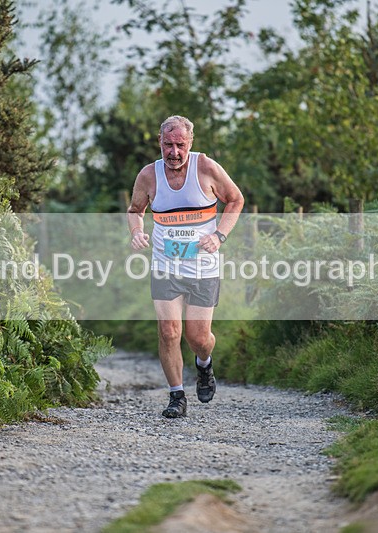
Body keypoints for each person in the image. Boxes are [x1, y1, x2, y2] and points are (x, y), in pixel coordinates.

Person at [126, 115, 244, 418]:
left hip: (203, 266)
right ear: (159, 142)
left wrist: (220, 235)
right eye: (168, 144)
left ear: (189, 143)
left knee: (198, 337)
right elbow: (135, 210)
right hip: (166, 265)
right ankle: (176, 396)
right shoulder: (148, 176)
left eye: (180, 145)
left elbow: (235, 200)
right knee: (168, 332)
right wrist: (137, 231)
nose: (174, 152)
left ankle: (204, 363)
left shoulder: (205, 167)